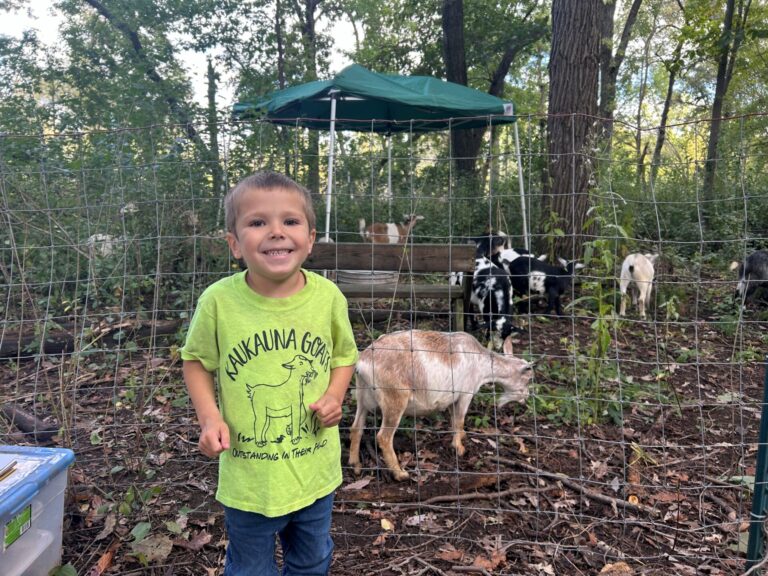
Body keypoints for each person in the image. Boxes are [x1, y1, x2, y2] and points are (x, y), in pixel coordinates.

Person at [180, 171, 358, 575]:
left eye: (290, 222)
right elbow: (195, 362)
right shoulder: (219, 302)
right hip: (250, 480)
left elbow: (344, 356)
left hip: (314, 473)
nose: (276, 232)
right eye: (258, 222)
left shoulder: (328, 298)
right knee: (250, 568)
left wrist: (335, 396)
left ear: (310, 239)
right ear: (235, 244)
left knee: (312, 560)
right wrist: (209, 417)